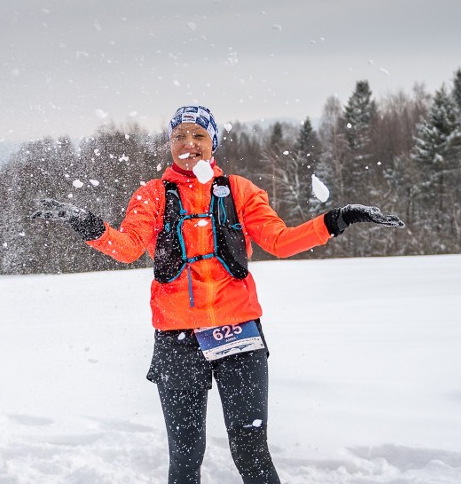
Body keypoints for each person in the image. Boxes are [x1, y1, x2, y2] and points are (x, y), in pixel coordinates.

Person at [32, 105, 404, 484]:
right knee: (186, 454)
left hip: (239, 335)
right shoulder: (153, 195)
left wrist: (338, 218)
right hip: (178, 341)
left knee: (251, 451)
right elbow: (127, 247)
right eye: (179, 136)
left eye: (199, 136)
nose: (188, 144)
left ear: (214, 144)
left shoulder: (240, 191)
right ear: (169, 143)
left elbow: (280, 241)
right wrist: (87, 224)